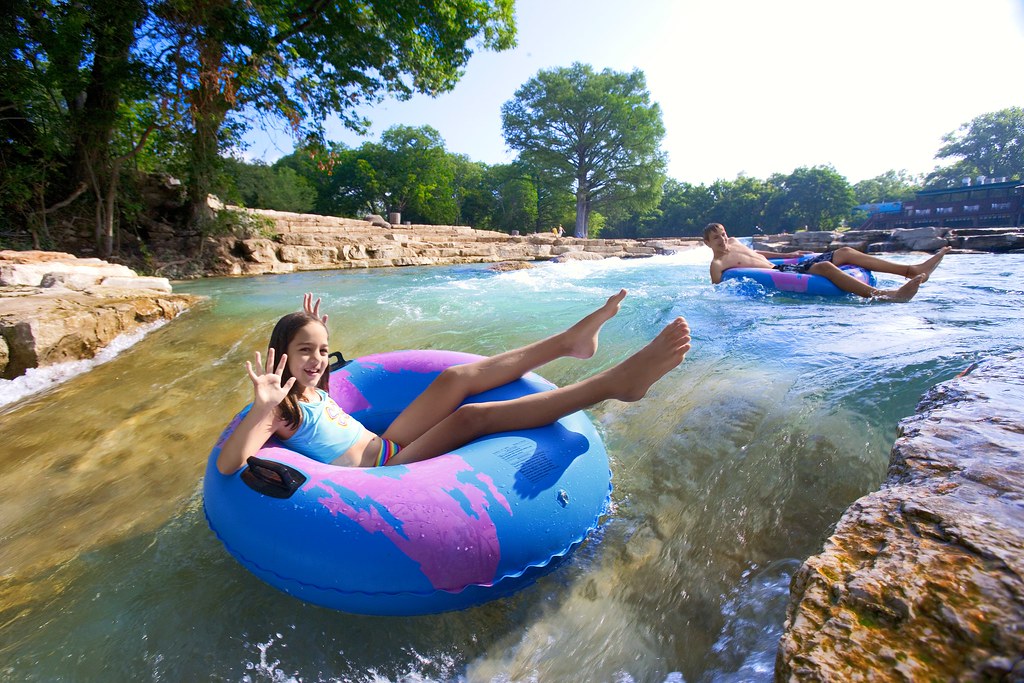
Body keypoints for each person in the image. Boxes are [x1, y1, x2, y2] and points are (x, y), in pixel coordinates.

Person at [216, 291, 691, 475]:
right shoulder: (280, 409)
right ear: (281, 354)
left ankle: (570, 341)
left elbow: (321, 371)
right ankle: (614, 384)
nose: (318, 359)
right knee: (469, 417)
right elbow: (228, 463)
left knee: (454, 378)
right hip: (384, 471)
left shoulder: (314, 388)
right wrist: (261, 407)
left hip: (388, 443)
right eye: (305, 350)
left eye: (323, 349)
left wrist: (315, 332)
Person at [702, 222, 950, 302]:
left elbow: (757, 255)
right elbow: (719, 291)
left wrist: (791, 254)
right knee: (823, 267)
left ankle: (911, 270)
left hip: (785, 264)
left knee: (845, 252)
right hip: (782, 272)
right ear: (708, 243)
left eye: (723, 234)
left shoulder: (735, 241)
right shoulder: (718, 265)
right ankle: (885, 295)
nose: (722, 240)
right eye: (716, 238)